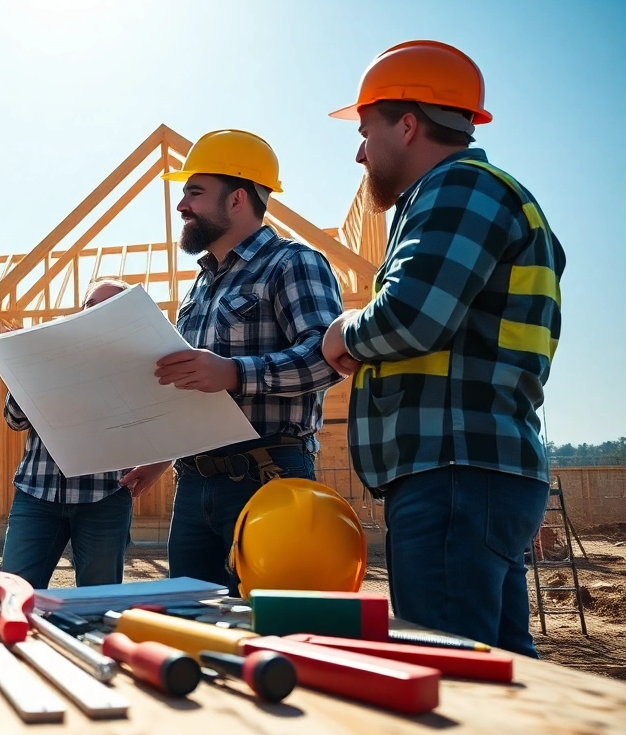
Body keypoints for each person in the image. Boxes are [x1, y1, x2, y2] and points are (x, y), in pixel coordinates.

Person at [321, 41, 564, 657]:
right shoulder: (472, 194)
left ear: (407, 125)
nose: (359, 150)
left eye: (366, 129)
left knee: (453, 676)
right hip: (474, 470)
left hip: (453, 469)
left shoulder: (459, 187)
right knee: (501, 669)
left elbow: (413, 314)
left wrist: (344, 330)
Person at [150, 129, 344, 595]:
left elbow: (328, 358)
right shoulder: (200, 287)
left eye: (194, 193)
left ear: (237, 198)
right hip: (194, 484)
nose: (182, 207)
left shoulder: (293, 263)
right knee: (197, 625)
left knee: (275, 628)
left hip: (267, 476)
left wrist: (235, 373)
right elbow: (192, 386)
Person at [0, 279, 173, 589]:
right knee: (13, 594)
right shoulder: (50, 355)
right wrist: (25, 371)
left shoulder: (145, 362)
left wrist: (162, 461)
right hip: (37, 492)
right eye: (91, 306)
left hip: (105, 496)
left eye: (111, 308)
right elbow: (14, 420)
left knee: (99, 598)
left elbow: (170, 418)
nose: (98, 313)